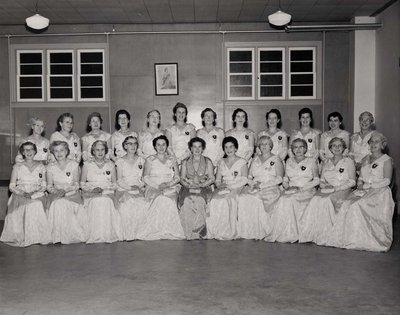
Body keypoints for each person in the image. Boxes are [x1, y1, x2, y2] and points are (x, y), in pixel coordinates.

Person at [328, 132, 394, 252]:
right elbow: (362, 177)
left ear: (383, 145)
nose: (373, 144)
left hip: (380, 191)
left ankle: (363, 240)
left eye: (377, 142)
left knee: (358, 205)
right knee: (347, 203)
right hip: (364, 189)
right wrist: (360, 183)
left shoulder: (386, 160)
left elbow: (387, 180)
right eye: (371, 142)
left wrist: (370, 185)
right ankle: (347, 238)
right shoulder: (366, 159)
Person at [299, 137, 355, 245]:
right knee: (315, 199)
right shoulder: (326, 162)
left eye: (339, 145)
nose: (337, 148)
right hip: (327, 189)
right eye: (334, 145)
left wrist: (336, 188)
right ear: (330, 148)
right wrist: (325, 186)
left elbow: (352, 181)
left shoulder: (348, 161)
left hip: (342, 189)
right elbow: (321, 180)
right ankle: (314, 234)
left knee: (326, 201)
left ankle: (329, 235)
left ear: (343, 148)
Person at [266, 138, 319, 243]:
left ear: (305, 149)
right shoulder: (289, 161)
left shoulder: (311, 161)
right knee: (281, 199)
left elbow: (317, 180)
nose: (298, 149)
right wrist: (286, 185)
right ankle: (283, 232)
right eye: (295, 147)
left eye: (301, 147)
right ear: (292, 149)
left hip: (305, 190)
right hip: (291, 189)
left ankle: (295, 233)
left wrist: (301, 188)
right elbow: (285, 178)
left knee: (289, 200)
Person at [1, 142, 51, 246]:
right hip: (20, 194)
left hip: (37, 192)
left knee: (36, 203)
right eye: (26, 150)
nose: (29, 152)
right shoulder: (17, 166)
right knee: (30, 205)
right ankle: (25, 235)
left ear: (35, 151)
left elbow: (44, 185)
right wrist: (22, 193)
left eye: (31, 149)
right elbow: (11, 186)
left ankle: (37, 236)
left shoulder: (41, 166)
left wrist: (34, 193)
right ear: (22, 152)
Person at [137, 135, 184, 240]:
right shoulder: (150, 159)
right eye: (158, 145)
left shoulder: (172, 159)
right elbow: (145, 177)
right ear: (154, 146)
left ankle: (170, 230)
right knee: (159, 199)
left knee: (169, 200)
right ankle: (155, 229)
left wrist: (167, 185)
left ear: (167, 146)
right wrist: (158, 186)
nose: (161, 147)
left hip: (170, 186)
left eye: (163, 144)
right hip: (153, 186)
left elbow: (177, 177)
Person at [237, 136, 283, 239]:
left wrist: (262, 185)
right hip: (255, 185)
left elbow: (280, 178)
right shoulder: (255, 158)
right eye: (262, 144)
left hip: (270, 187)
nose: (264, 146)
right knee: (243, 197)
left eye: (266, 144)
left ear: (271, 146)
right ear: (259, 146)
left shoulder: (276, 159)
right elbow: (248, 176)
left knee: (258, 198)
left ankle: (264, 231)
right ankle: (249, 230)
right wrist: (253, 184)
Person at [206, 136, 248, 240]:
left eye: (231, 147)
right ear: (224, 149)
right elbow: (217, 179)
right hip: (224, 186)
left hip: (238, 186)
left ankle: (230, 231)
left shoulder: (242, 161)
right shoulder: (221, 162)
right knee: (215, 200)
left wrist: (231, 186)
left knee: (230, 200)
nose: (229, 149)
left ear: (236, 148)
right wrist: (219, 185)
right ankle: (216, 230)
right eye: (226, 147)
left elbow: (244, 179)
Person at [80, 140, 121, 243]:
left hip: (107, 191)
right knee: (95, 201)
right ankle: (94, 234)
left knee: (105, 201)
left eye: (102, 150)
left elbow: (115, 184)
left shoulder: (110, 164)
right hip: (90, 191)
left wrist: (105, 190)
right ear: (93, 151)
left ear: (106, 151)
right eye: (97, 150)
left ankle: (106, 234)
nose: (100, 152)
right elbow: (82, 184)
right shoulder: (87, 164)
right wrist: (92, 190)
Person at [46, 141, 86, 244]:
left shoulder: (73, 164)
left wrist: (66, 192)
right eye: (56, 151)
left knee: (64, 203)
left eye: (62, 150)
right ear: (53, 153)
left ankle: (70, 235)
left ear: (67, 151)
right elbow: (49, 186)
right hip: (56, 194)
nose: (59, 153)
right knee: (58, 203)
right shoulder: (50, 167)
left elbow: (77, 184)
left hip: (72, 194)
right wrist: (56, 191)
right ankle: (57, 236)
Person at [178, 137, 215, 240]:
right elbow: (181, 178)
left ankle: (199, 231)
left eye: (199, 147)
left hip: (203, 187)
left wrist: (202, 184)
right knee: (187, 201)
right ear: (191, 148)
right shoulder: (185, 162)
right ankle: (187, 232)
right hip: (188, 187)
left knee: (199, 201)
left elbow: (212, 178)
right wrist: (188, 185)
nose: (197, 149)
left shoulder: (208, 161)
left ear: (203, 148)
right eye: (194, 147)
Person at [115, 136, 148, 241]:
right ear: (125, 146)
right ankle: (128, 233)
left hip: (139, 188)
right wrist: (129, 188)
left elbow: (144, 178)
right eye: (130, 144)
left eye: (135, 144)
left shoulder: (142, 160)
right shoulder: (120, 161)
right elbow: (119, 180)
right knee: (128, 202)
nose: (133, 146)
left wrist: (139, 186)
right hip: (124, 188)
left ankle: (140, 232)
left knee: (142, 203)